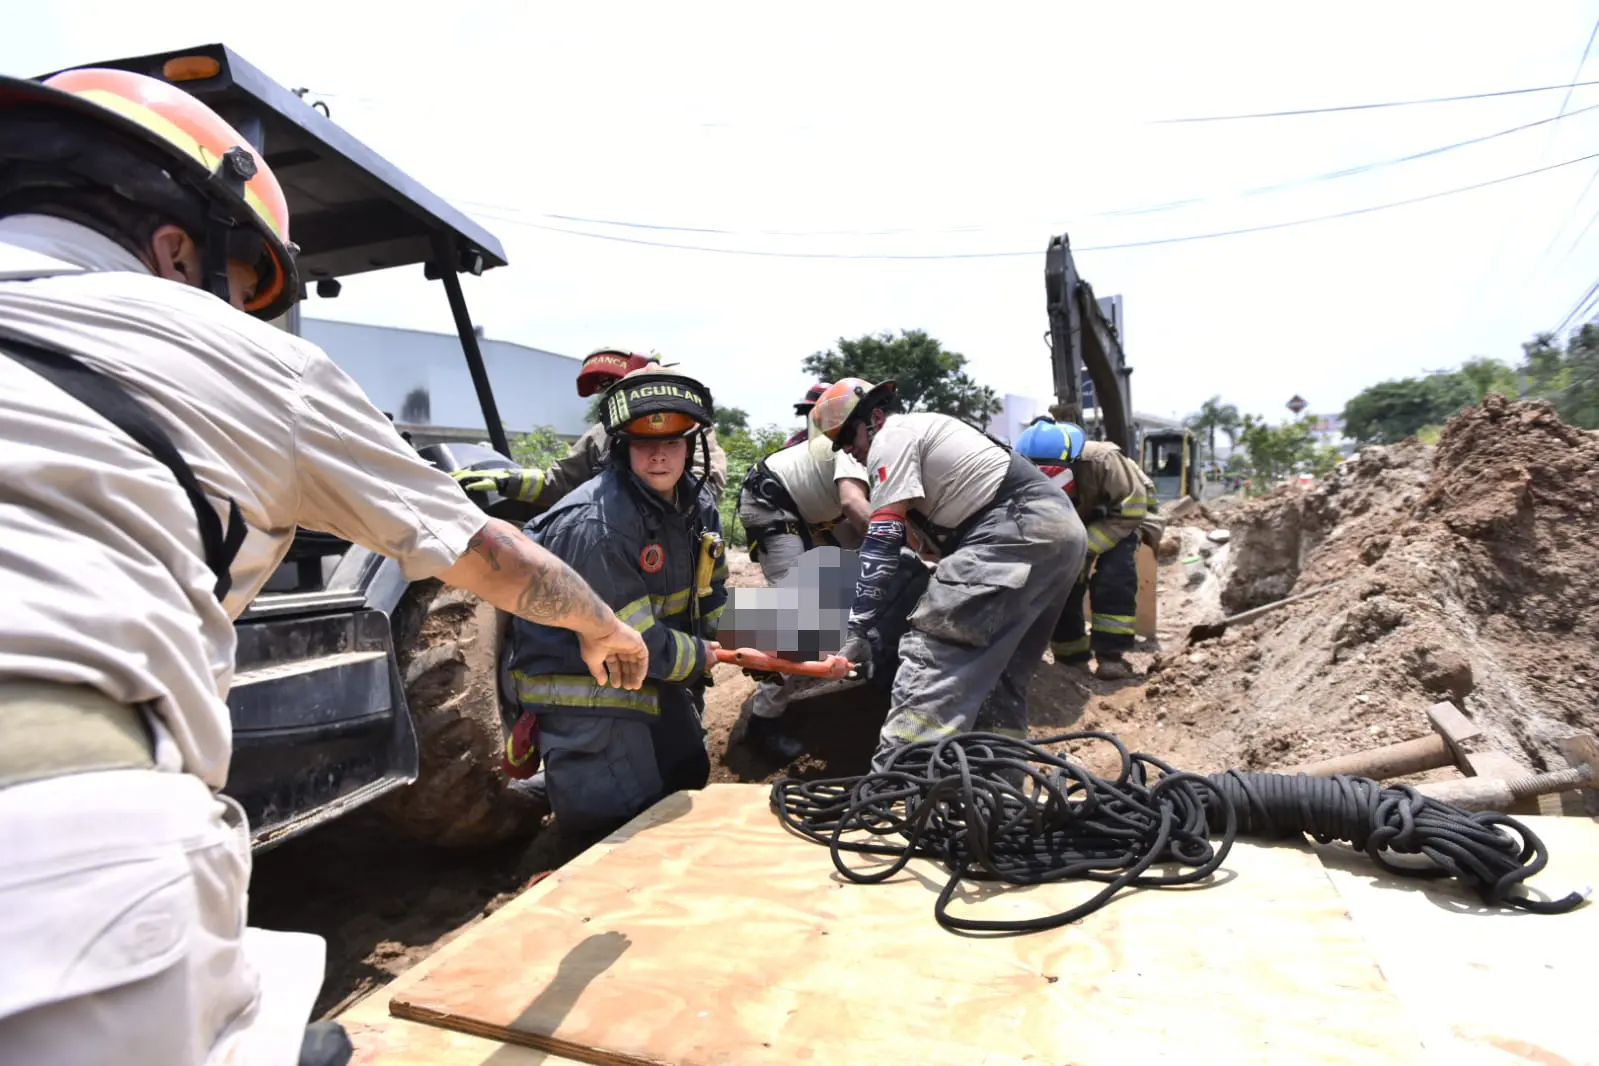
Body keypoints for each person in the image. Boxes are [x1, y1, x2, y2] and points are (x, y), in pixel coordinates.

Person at [0, 68, 646, 1066]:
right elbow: (488, 554)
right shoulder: (249, 361)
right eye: (239, 282)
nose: (240, 310)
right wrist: (601, 624)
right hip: (61, 847)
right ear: (177, 248)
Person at [500, 366, 728, 847]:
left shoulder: (697, 507)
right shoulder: (595, 523)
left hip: (651, 675)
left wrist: (768, 644)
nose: (659, 455)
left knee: (687, 774)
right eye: (644, 444)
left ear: (692, 446)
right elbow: (633, 638)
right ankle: (549, 838)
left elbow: (712, 596)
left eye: (672, 442)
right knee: (615, 823)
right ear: (622, 447)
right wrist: (706, 654)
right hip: (588, 691)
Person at [807, 378, 1086, 764]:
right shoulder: (932, 441)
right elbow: (919, 557)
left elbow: (883, 538)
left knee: (932, 656)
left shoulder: (892, 436)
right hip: (1058, 532)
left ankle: (897, 784)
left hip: (1013, 527)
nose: (848, 451)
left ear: (874, 418)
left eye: (846, 438)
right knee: (998, 680)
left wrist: (855, 629)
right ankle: (993, 788)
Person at [452, 346, 728, 509]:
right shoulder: (602, 433)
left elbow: (708, 485)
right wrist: (508, 481)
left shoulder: (688, 423)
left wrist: (658, 504)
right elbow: (561, 482)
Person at [734, 433, 871, 759]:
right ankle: (762, 724)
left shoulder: (883, 448)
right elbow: (853, 504)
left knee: (858, 582)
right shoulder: (863, 445)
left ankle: (862, 661)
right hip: (772, 505)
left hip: (812, 513)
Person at [1016, 417, 1164, 680]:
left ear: (1072, 462)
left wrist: (1083, 548)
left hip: (1128, 517)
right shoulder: (1015, 470)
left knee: (1115, 571)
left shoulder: (1103, 460)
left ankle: (1111, 655)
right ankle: (1071, 658)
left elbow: (1130, 511)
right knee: (1060, 580)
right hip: (1073, 521)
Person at [784, 381, 830, 448]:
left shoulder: (843, 440)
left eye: (820, 412)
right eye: (809, 412)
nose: (814, 417)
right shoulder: (795, 442)